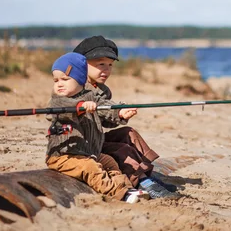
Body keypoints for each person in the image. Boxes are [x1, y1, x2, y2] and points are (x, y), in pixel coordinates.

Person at [73, 36, 179, 199]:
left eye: (110, 65)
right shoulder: (75, 88)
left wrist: (120, 115)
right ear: (81, 64)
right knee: (121, 150)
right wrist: (118, 112)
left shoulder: (103, 89)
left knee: (129, 133)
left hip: (96, 139)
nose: (106, 70)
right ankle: (142, 181)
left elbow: (105, 121)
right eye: (101, 64)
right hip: (83, 146)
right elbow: (100, 107)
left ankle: (145, 175)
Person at [45, 52, 149, 202]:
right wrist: (79, 106)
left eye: (65, 79)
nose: (59, 84)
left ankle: (126, 187)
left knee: (109, 161)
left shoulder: (90, 95)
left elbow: (104, 105)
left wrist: (120, 112)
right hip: (64, 156)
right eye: (56, 80)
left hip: (88, 152)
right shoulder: (59, 99)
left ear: (80, 79)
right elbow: (60, 109)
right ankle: (119, 194)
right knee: (90, 168)